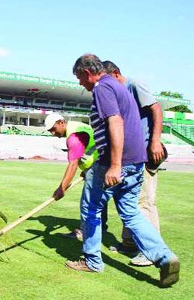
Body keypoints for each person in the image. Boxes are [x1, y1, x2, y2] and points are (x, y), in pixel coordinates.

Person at [65, 54, 179, 288]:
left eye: (79, 78)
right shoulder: (119, 88)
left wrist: (115, 165)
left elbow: (115, 122)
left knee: (90, 209)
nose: (80, 84)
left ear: (87, 73)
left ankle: (92, 261)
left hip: (116, 161)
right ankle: (164, 256)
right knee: (131, 212)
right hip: (136, 161)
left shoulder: (102, 88)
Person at [102, 60, 166, 266]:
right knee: (127, 200)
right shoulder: (118, 94)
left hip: (146, 152)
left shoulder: (134, 85)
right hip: (131, 155)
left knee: (144, 201)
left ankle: (151, 252)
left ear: (116, 73)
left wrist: (155, 141)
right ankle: (129, 243)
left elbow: (156, 109)